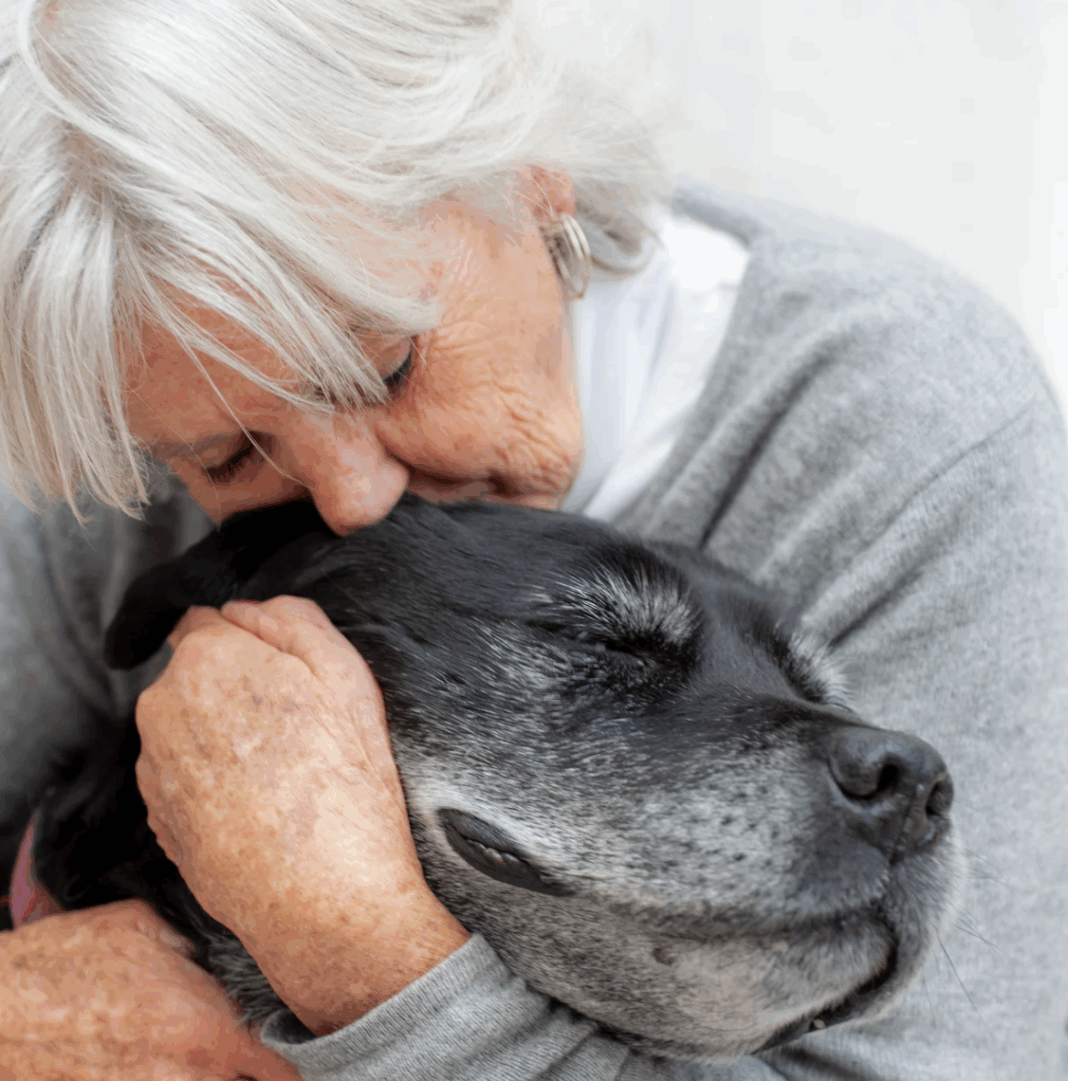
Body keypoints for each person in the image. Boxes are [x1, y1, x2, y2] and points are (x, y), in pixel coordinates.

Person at [1, 0, 1066, 1078]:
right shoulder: (139, 393)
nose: (354, 502)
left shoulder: (917, 428)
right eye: (232, 457)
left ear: (534, 182)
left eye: (389, 368)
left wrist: (354, 950)